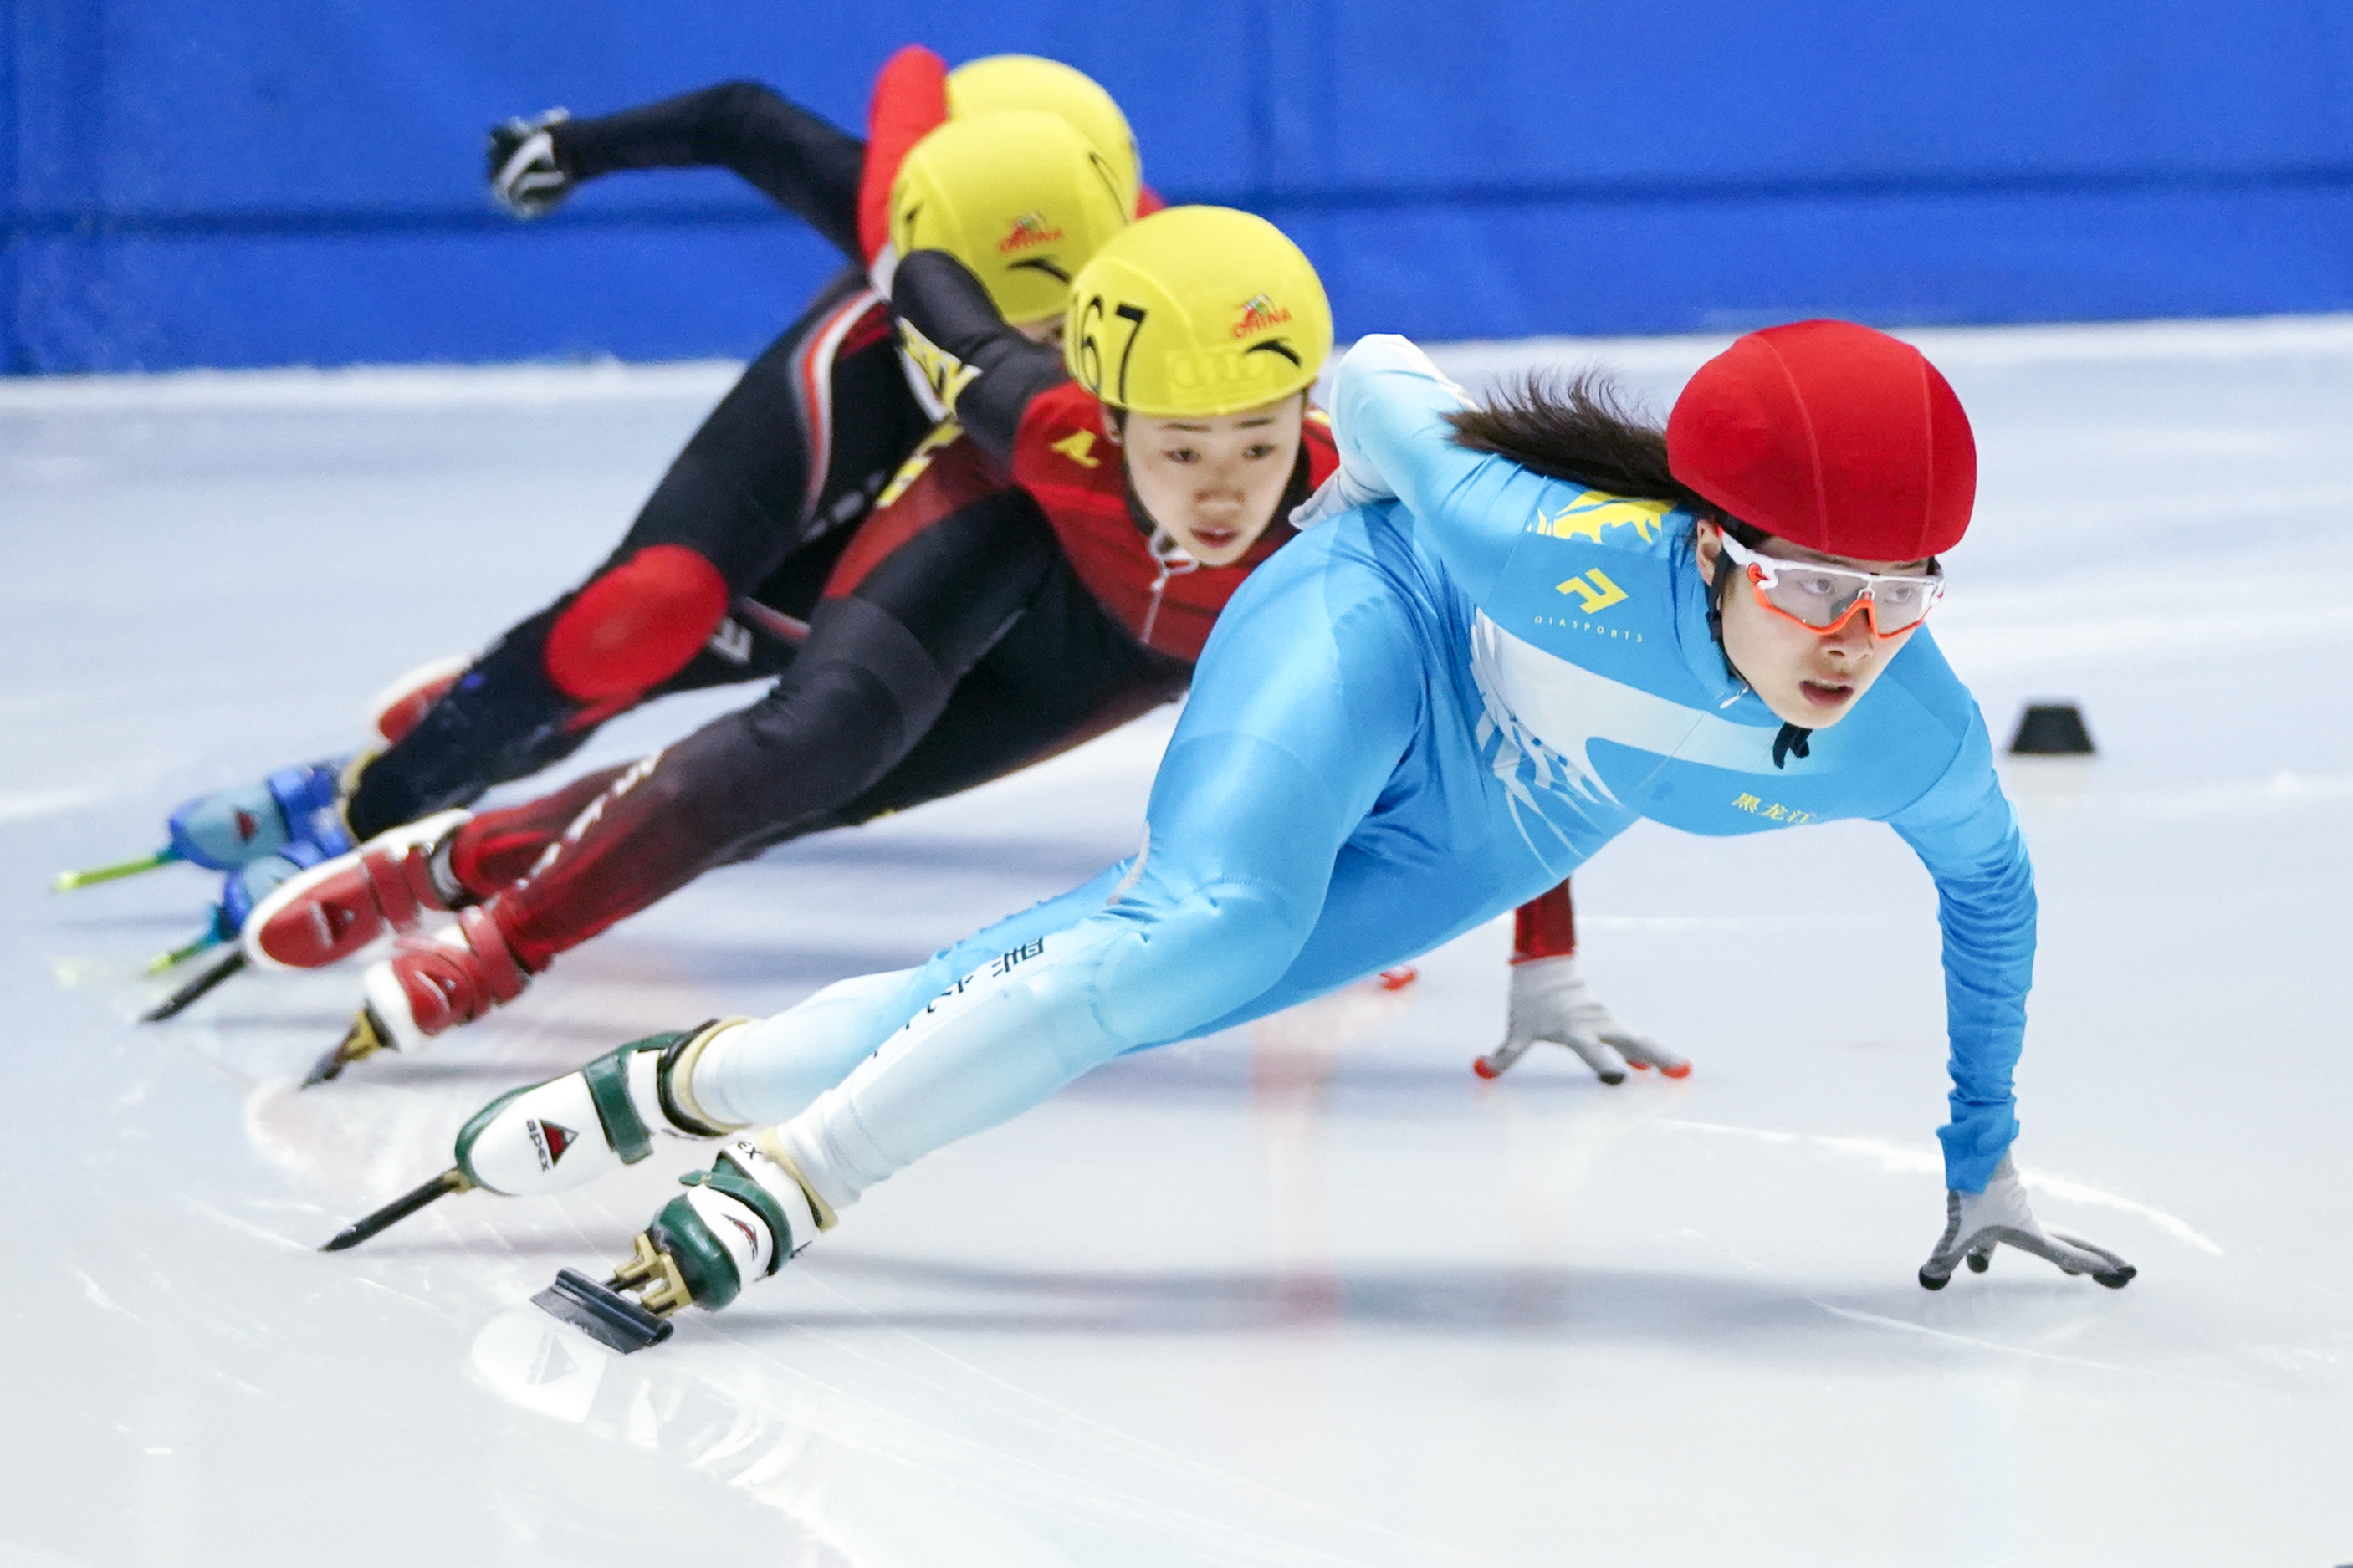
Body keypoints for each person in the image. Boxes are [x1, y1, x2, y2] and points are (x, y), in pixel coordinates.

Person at [489, 316, 2136, 1347]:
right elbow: (1376, 374)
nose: (1850, 637)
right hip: (1376, 618)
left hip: (1508, 810)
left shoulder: (1908, 733)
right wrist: (1364, 484)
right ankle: (779, 1188)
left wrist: (1977, 1154)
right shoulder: (1537, 542)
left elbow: (1990, 892)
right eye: (1808, 586)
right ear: (1709, 547)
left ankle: (686, 1085)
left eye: (1898, 595)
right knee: (1210, 921)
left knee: (1104, 982)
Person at [263, 207, 1667, 1100]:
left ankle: (448, 857)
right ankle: (495, 943)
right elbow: (916, 262)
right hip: (1006, 542)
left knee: (813, 804)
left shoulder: (1368, 511)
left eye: (1254, 441)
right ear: (1107, 420)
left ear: (1306, 406)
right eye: (1178, 449)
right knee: (802, 747)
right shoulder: (1035, 420)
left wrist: (1540, 959)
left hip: (1132, 657)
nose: (1224, 488)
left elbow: (1519, 730)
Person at [76, 51, 1138, 965]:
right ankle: (386, 794)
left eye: (1050, 336)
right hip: (863, 391)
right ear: (911, 247)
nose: (1000, 365)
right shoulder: (898, 211)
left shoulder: (1151, 292)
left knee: (717, 658)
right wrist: (572, 146)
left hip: (981, 488)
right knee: (649, 609)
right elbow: (743, 119)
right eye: (974, 324)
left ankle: (445, 744)